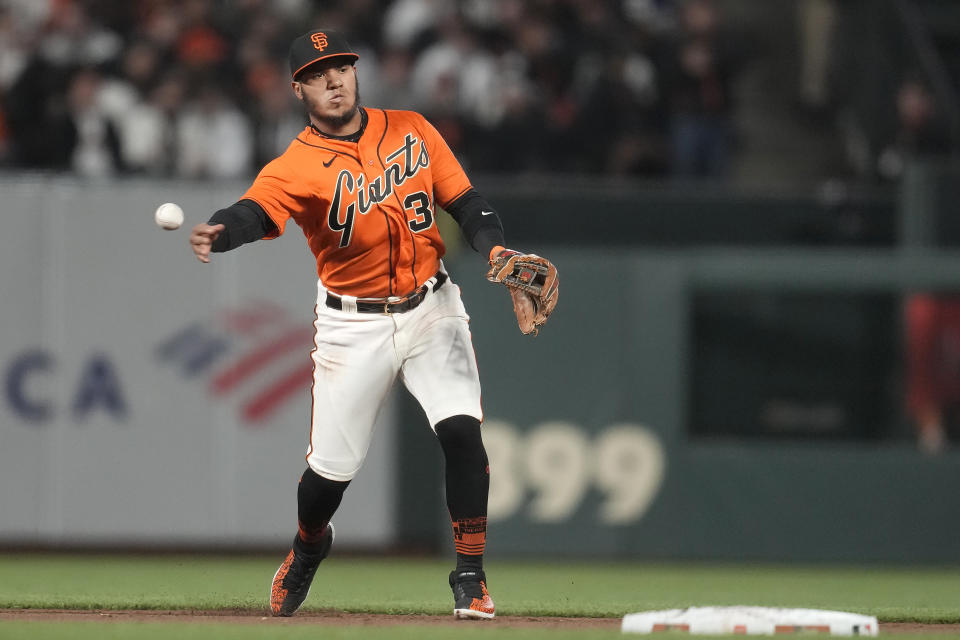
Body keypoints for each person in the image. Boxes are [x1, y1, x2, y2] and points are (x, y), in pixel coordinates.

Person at [188, 29, 551, 619]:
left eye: (342, 68)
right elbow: (256, 211)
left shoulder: (412, 128)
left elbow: (465, 201)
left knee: (461, 432)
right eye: (318, 73)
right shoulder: (297, 164)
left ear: (356, 74)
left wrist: (497, 252)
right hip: (351, 326)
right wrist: (220, 231)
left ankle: (470, 577)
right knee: (326, 480)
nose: (334, 80)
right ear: (298, 88)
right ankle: (309, 546)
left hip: (432, 306)